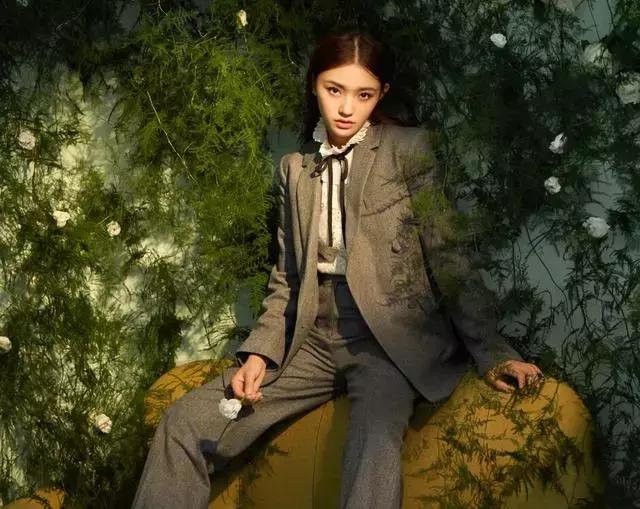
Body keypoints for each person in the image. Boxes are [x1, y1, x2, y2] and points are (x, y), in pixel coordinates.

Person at [131, 30, 543, 509]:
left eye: (363, 95)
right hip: (310, 339)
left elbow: (448, 257)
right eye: (334, 90)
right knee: (185, 422)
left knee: (373, 446)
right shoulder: (293, 169)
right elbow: (287, 276)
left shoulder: (407, 151)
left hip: (387, 342)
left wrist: (493, 352)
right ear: (314, 85)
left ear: (381, 95)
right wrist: (259, 355)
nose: (347, 108)